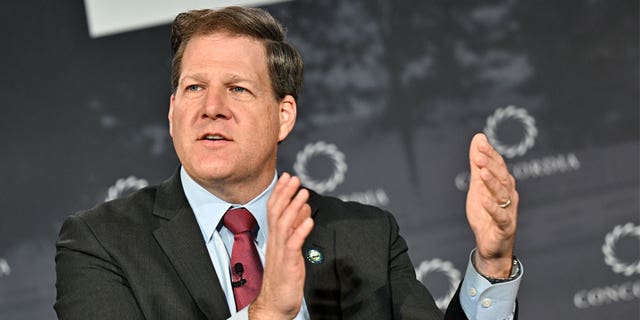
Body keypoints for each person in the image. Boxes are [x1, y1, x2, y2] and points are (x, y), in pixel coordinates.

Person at [55, 6, 521, 320]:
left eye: (237, 88)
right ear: (173, 110)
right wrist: (270, 310)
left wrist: (493, 264)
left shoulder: (366, 236)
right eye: (194, 87)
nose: (210, 106)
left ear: (284, 115)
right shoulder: (102, 243)